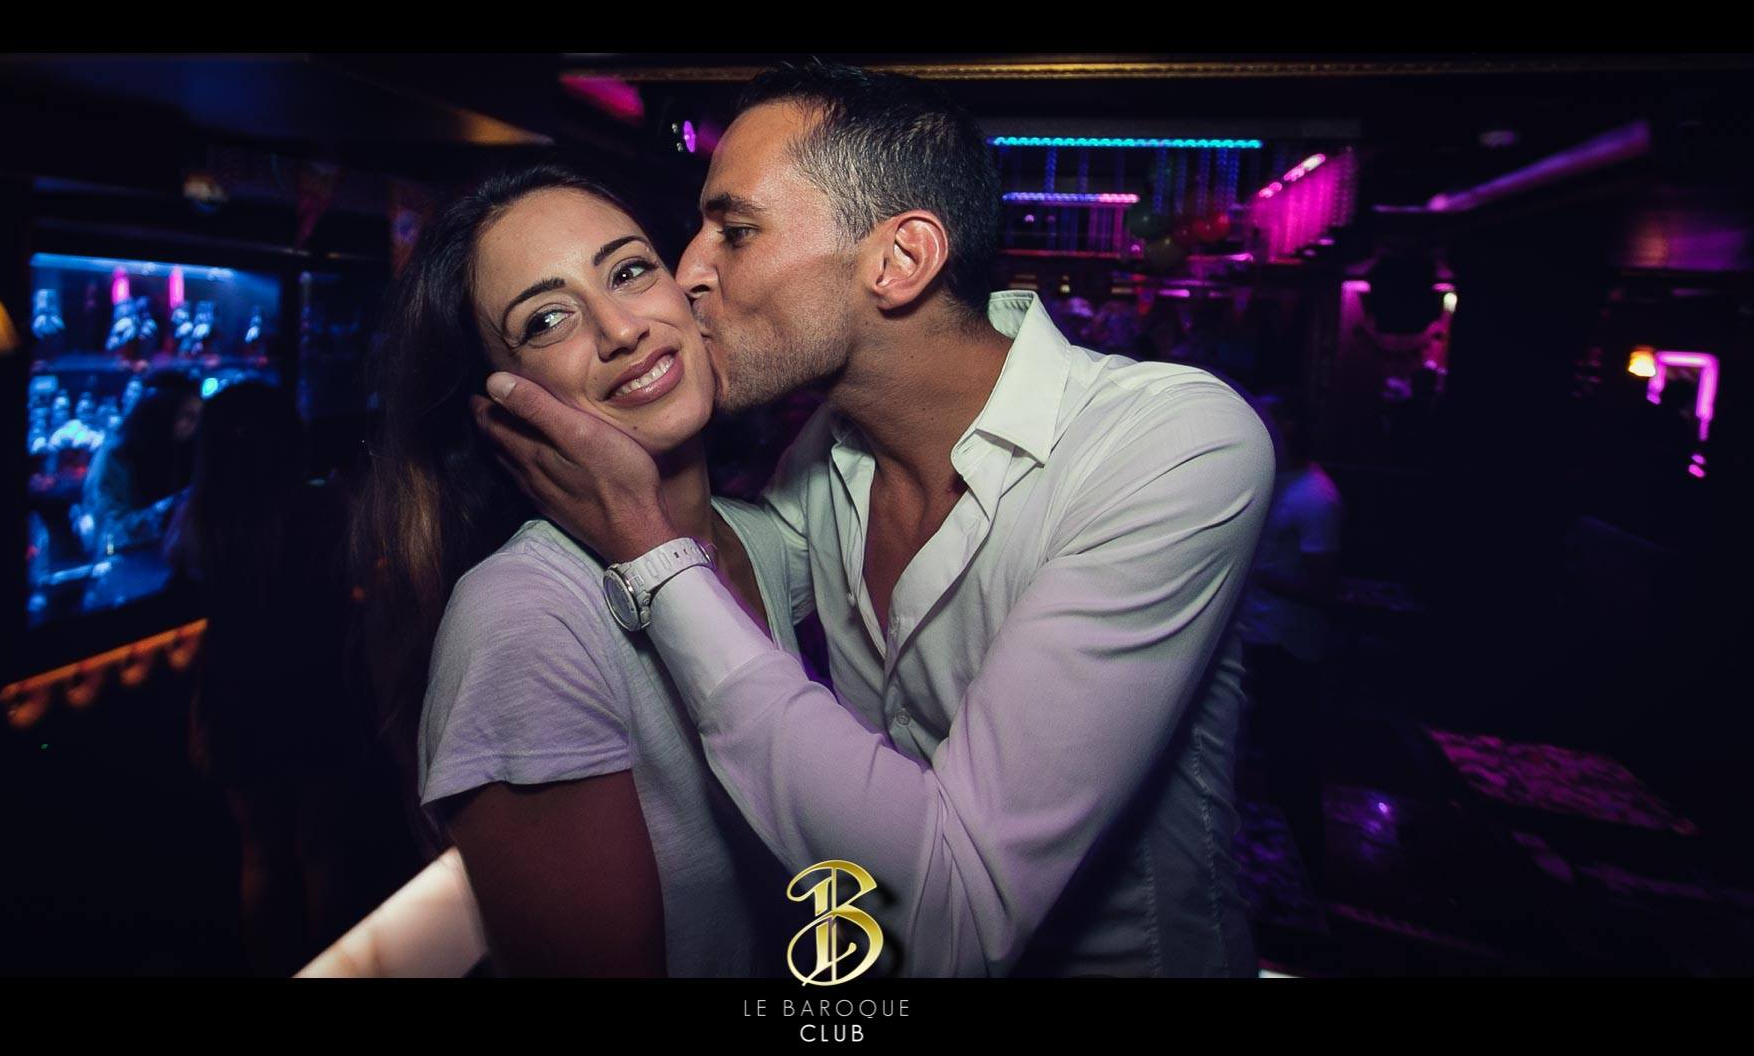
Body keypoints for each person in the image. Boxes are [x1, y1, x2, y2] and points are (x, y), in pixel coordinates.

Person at [476, 62, 1275, 977]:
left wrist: (646, 546)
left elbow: (957, 916)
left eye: (735, 231)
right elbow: (722, 569)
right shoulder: (820, 466)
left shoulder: (1168, 443)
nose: (687, 272)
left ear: (899, 261)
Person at [353, 164, 797, 977]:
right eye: (548, 319)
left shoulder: (771, 539)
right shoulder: (523, 619)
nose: (621, 329)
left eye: (629, 271)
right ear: (501, 404)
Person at [165, 381, 420, 976]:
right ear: (288, 440)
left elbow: (193, 587)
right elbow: (369, 584)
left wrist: (199, 707)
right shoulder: (326, 509)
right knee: (320, 849)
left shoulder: (200, 518)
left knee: (259, 853)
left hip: (235, 694)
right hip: (315, 688)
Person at [1237, 388, 1345, 892]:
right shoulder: (1277, 479)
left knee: (1291, 761)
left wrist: (1250, 571)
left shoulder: (1316, 497)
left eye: (1272, 420)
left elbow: (1323, 589)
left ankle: (1310, 880)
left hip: (1290, 645)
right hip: (1260, 636)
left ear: (1292, 428)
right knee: (1249, 759)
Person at [81, 371, 199, 554]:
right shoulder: (116, 455)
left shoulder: (192, 451)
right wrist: (167, 510)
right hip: (127, 561)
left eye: (199, 417)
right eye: (188, 416)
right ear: (163, 413)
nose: (196, 425)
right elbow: (110, 531)